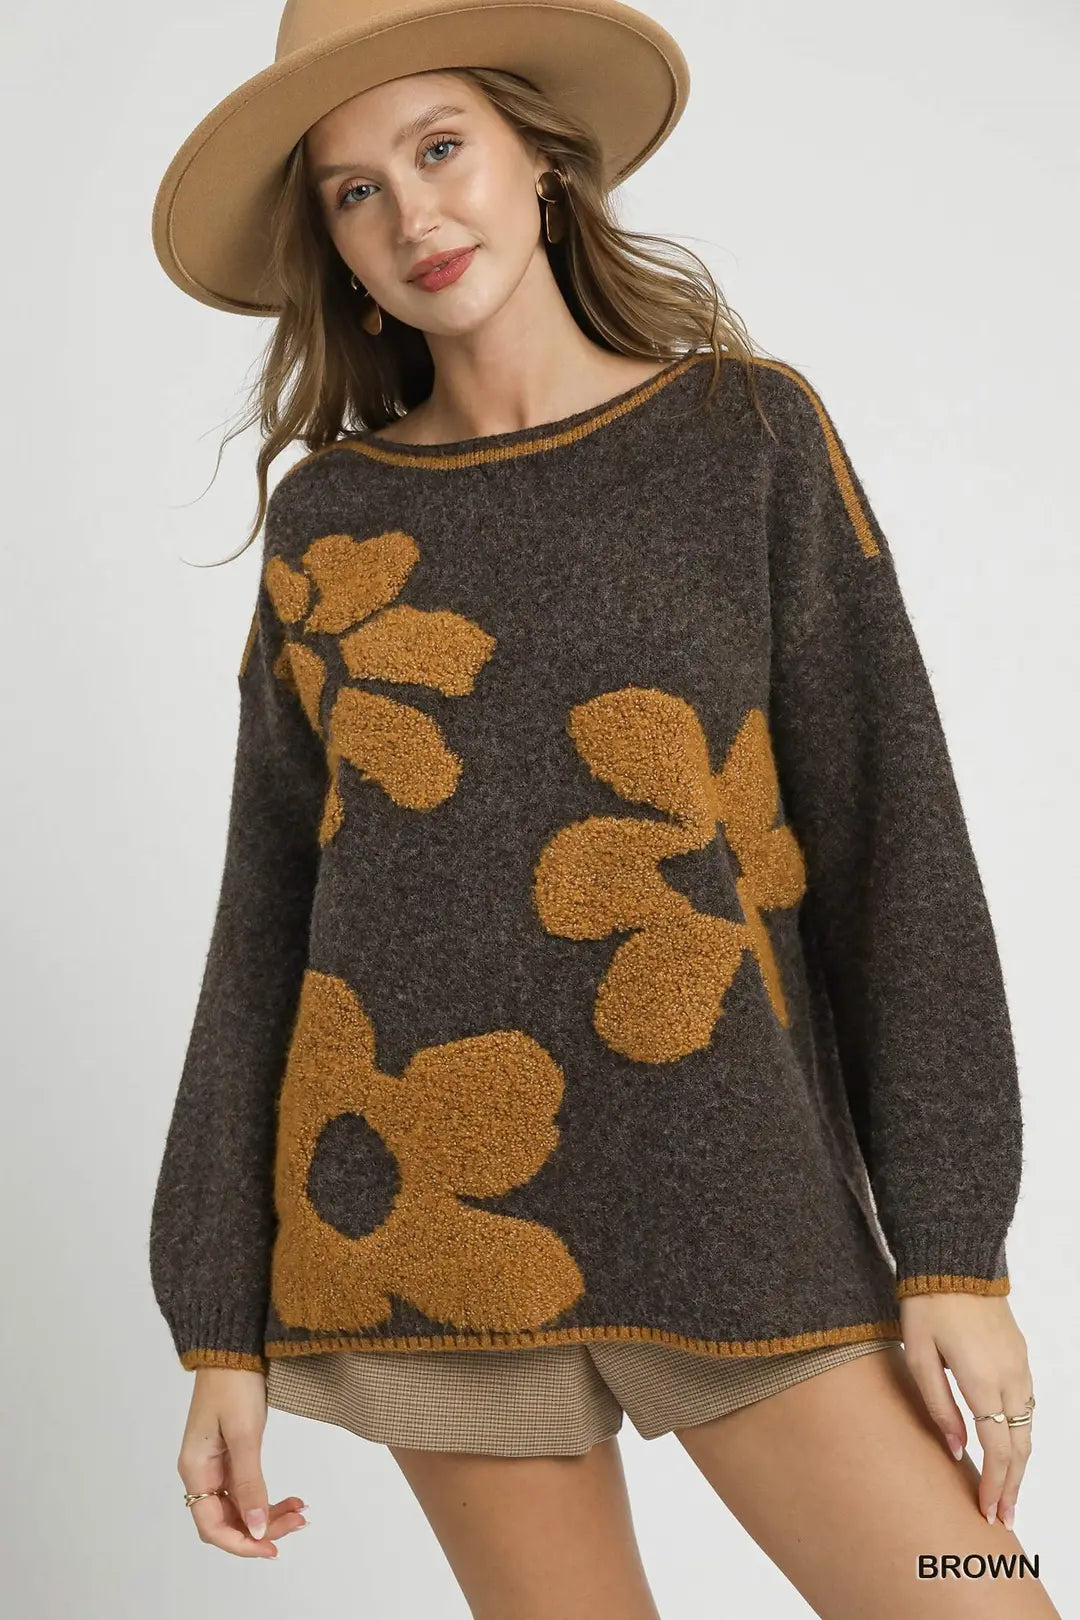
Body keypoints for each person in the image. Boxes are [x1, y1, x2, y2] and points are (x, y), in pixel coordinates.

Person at [148, 2, 1055, 1615]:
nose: (414, 214)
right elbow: (265, 924)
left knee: (972, 1594)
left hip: (737, 1197)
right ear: (332, 245)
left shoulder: (745, 437)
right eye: (356, 190)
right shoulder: (330, 527)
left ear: (543, 160)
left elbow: (895, 847)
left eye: (441, 148)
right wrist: (216, 1322)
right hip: (428, 1227)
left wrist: (953, 1249)